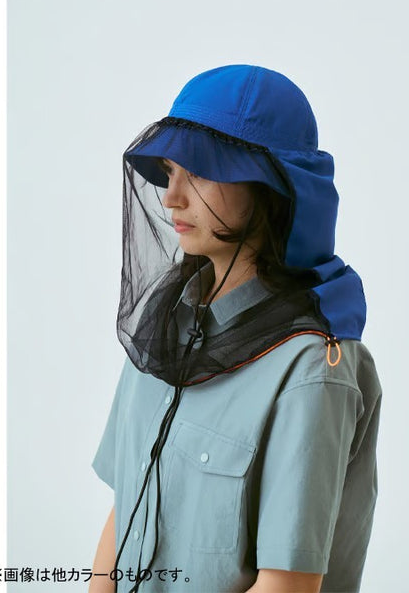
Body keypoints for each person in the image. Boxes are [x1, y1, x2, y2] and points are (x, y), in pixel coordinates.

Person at [89, 65, 382, 593]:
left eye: (199, 173)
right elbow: (125, 508)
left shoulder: (311, 365)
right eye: (170, 171)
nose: (170, 197)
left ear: (269, 186)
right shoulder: (165, 325)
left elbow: (286, 586)